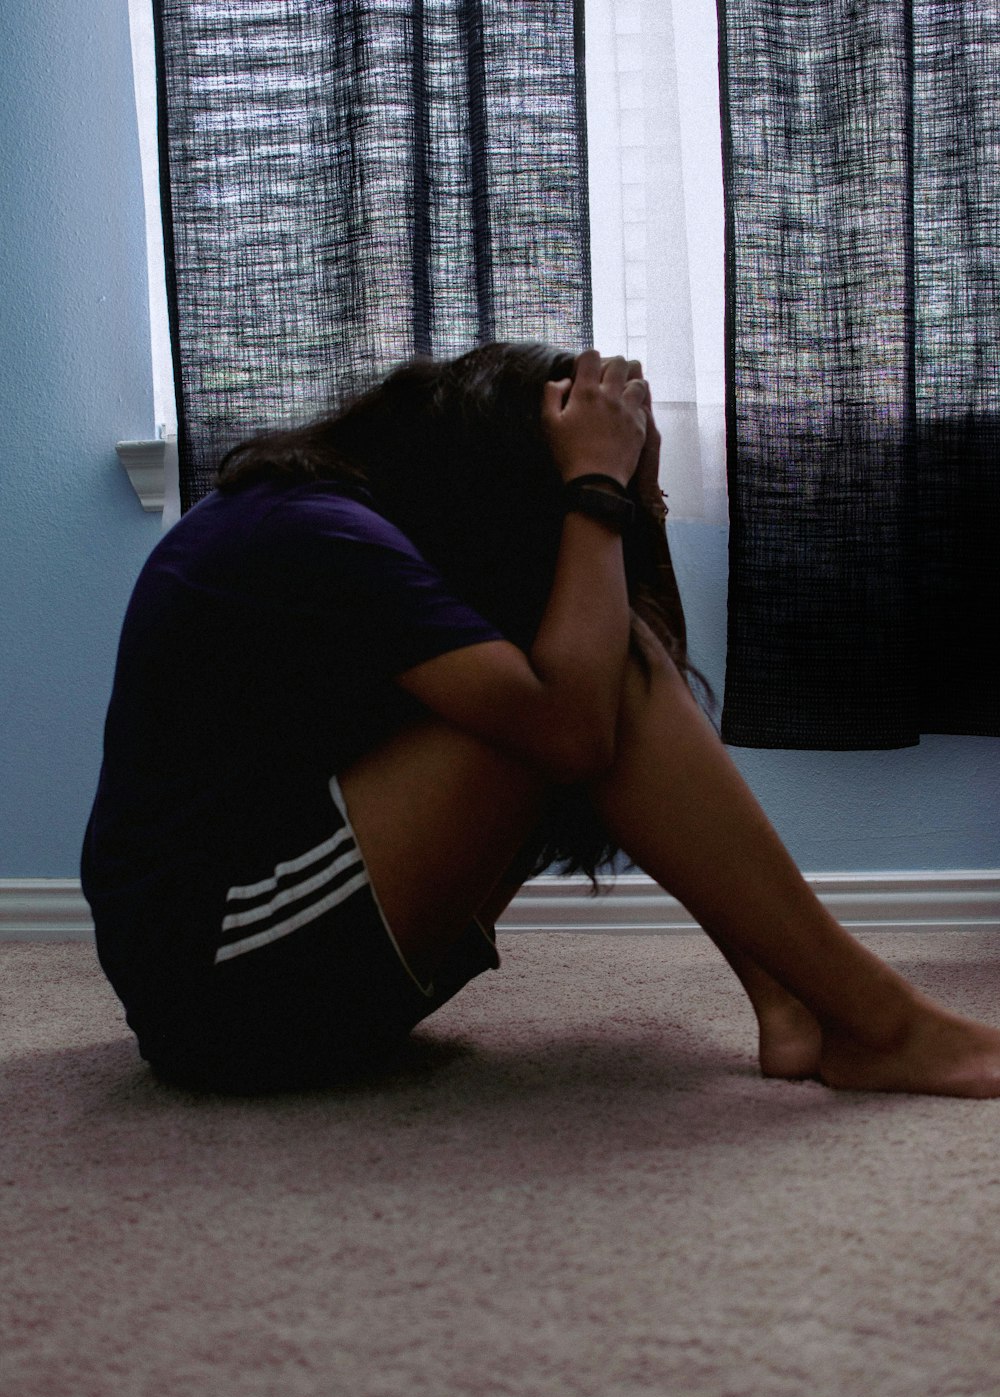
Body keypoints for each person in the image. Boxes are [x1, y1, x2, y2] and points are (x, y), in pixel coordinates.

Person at [82, 343, 1000, 1096]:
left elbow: (639, 659)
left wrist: (632, 499)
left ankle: (797, 1008)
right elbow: (579, 728)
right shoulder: (311, 529)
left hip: (294, 964)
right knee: (581, 695)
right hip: (222, 984)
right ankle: (880, 1025)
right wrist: (592, 491)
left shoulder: (371, 530)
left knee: (597, 662)